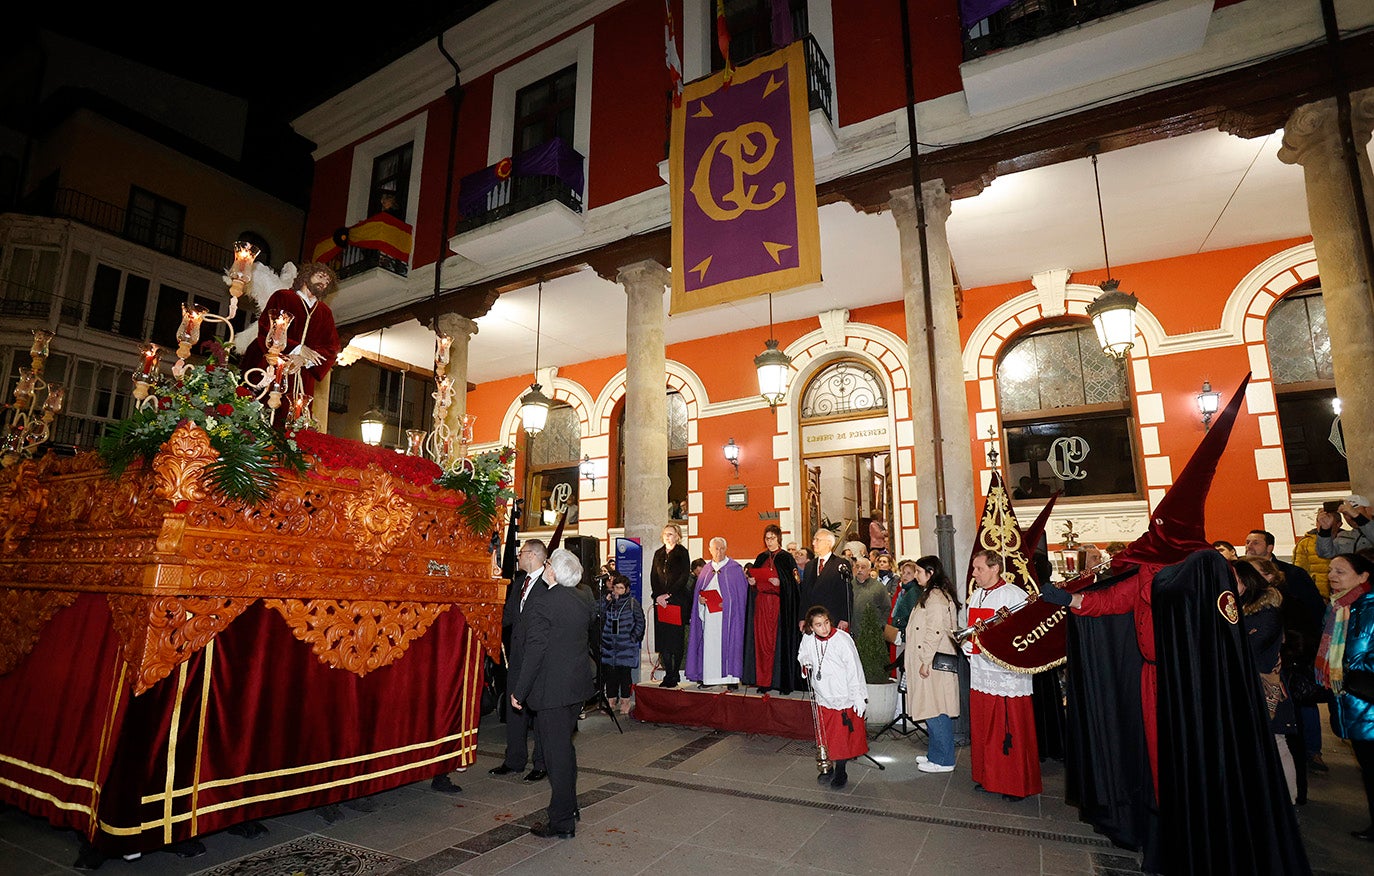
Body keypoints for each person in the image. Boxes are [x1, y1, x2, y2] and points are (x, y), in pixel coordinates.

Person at [510, 548, 596, 840]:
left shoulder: (545, 602)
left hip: (551, 692)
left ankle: (561, 821)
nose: (546, 567)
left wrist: (518, 691)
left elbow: (534, 652)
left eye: (548, 563)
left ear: (553, 572)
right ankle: (569, 807)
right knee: (565, 750)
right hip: (575, 688)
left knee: (556, 755)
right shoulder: (583, 598)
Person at [963, 549, 1041, 799]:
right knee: (985, 727)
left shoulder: (1014, 595)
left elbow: (1025, 635)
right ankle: (989, 776)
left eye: (979, 569)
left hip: (1006, 675)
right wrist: (968, 642)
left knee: (1009, 729)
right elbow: (973, 628)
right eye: (974, 569)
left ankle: (1014, 783)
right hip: (980, 672)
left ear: (995, 568)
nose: (974, 575)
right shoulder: (976, 595)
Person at [1233, 559, 1299, 802]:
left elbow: (1250, 649)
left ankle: (1289, 800)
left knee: (1276, 744)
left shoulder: (1265, 611)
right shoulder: (1238, 607)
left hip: (1265, 689)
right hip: (1249, 688)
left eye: (1235, 579)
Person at [1320, 553, 1374, 840]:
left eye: (1340, 571)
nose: (1332, 575)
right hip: (1352, 703)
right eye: (1330, 570)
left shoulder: (1370, 609)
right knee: (1368, 769)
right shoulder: (1338, 608)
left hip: (1368, 702)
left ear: (1364, 576)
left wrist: (1353, 671)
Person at [490, 539, 549, 783]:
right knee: (514, 711)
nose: (518, 557)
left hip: (539, 660)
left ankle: (542, 763)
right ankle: (514, 760)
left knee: (539, 712)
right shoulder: (519, 583)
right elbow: (509, 617)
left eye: (522, 553)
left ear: (534, 555)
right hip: (517, 658)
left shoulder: (549, 584)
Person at [239, 262, 341, 401]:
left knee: (294, 415)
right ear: (306, 276)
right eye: (321, 276)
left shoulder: (325, 312)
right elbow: (268, 328)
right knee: (261, 408)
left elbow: (331, 348)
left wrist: (305, 359)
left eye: (327, 281)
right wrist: (297, 349)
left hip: (301, 376)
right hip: (271, 365)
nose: (324, 282)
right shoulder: (283, 296)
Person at [798, 605, 868, 789]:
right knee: (825, 736)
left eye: (826, 623)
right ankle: (826, 766)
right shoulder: (808, 639)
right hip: (823, 695)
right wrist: (805, 663)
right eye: (819, 625)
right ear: (811, 627)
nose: (824, 628)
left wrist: (858, 696)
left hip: (842, 696)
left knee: (841, 738)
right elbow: (803, 655)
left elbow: (855, 669)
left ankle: (841, 770)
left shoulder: (842, 640)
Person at [904, 555, 961, 773]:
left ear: (930, 573)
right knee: (931, 708)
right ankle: (935, 754)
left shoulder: (936, 597)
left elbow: (935, 631)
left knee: (937, 710)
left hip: (933, 662)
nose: (916, 575)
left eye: (919, 571)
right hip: (930, 660)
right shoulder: (932, 594)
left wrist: (925, 661)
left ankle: (944, 760)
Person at [686, 537, 749, 690]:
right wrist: (701, 601)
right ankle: (710, 677)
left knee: (731, 645)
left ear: (726, 549)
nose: (718, 552)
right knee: (710, 646)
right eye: (716, 549)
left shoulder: (734, 568)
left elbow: (742, 596)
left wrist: (727, 604)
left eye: (721, 548)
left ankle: (731, 679)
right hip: (710, 616)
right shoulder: (706, 570)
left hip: (729, 618)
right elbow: (699, 594)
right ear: (710, 550)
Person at [749, 524, 804, 694]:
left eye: (772, 538)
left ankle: (781, 682)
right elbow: (755, 578)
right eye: (767, 538)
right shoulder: (760, 558)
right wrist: (751, 583)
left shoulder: (787, 558)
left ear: (779, 539)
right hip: (761, 606)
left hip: (779, 607)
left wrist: (781, 583)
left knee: (778, 643)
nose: (769, 541)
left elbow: (796, 583)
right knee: (762, 643)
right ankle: (764, 681)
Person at [650, 524, 692, 687]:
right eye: (665, 534)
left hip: (676, 600)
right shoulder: (658, 554)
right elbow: (654, 576)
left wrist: (670, 594)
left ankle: (674, 674)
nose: (668, 537)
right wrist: (658, 595)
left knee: (675, 639)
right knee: (663, 639)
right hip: (660, 602)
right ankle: (668, 673)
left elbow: (683, 576)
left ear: (678, 536)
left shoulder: (682, 553)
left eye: (671, 534)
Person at [600, 574, 645, 715]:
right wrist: (605, 602)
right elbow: (597, 614)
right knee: (610, 674)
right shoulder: (609, 601)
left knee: (624, 675)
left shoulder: (632, 603)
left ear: (626, 589)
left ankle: (625, 701)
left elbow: (640, 621)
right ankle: (611, 700)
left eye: (621, 588)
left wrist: (634, 637)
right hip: (609, 645)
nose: (617, 591)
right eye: (616, 588)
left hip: (625, 645)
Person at [802, 529, 852, 630]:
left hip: (832, 617)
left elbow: (846, 593)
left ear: (828, 543)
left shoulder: (840, 564)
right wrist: (802, 617)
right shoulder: (809, 566)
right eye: (814, 539)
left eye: (817, 540)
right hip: (813, 618)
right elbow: (804, 594)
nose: (813, 543)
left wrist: (845, 618)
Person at [1294, 503, 1338, 598]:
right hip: (1316, 594)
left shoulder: (1348, 540)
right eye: (1319, 521)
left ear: (1339, 524)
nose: (1323, 524)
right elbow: (1299, 570)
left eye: (1327, 521)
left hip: (1343, 590)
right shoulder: (1305, 543)